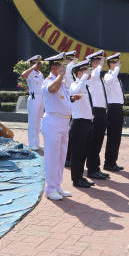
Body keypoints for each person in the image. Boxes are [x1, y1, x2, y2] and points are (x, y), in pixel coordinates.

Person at [41, 53, 74, 200]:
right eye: (61, 66)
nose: (64, 69)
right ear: (54, 67)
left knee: (61, 157)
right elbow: (52, 90)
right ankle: (50, 188)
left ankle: (57, 185)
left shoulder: (60, 82)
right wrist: (61, 76)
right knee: (52, 157)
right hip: (53, 123)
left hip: (63, 123)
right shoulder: (48, 81)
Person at [68, 58, 97, 189]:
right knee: (77, 153)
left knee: (84, 152)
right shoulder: (75, 85)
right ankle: (76, 179)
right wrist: (84, 76)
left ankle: (80, 176)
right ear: (79, 73)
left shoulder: (86, 86)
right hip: (78, 123)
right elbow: (76, 92)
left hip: (87, 123)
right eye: (85, 70)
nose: (89, 73)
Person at [84, 50, 110, 181]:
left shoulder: (98, 76)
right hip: (96, 111)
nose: (102, 64)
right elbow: (97, 68)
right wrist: (102, 59)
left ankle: (96, 167)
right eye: (99, 61)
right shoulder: (93, 74)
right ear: (94, 63)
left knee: (99, 140)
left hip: (101, 111)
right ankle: (92, 169)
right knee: (94, 141)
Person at [102, 53, 125, 172]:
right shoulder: (108, 76)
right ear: (111, 64)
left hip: (118, 108)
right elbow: (110, 81)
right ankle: (108, 162)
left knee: (117, 137)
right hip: (112, 108)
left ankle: (113, 161)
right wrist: (116, 69)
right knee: (112, 137)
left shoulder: (116, 77)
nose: (118, 65)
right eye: (116, 62)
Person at [20, 55, 44, 151]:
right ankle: (31, 144)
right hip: (34, 98)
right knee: (33, 122)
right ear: (31, 64)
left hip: (41, 98)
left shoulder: (40, 73)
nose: (38, 65)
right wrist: (32, 68)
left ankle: (37, 142)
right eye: (36, 63)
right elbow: (23, 75)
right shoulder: (30, 73)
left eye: (39, 63)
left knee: (38, 122)